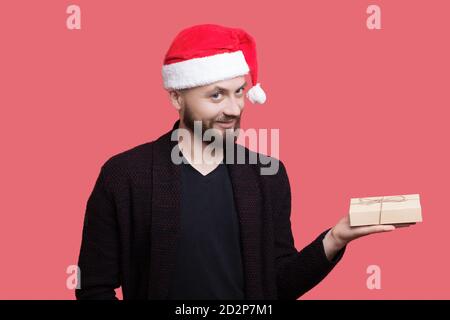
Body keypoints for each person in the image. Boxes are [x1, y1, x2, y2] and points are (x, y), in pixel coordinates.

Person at [75, 24, 396, 300]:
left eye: (239, 92)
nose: (233, 108)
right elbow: (93, 287)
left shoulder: (267, 175)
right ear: (176, 97)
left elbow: (277, 285)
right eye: (216, 95)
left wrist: (336, 238)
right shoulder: (125, 175)